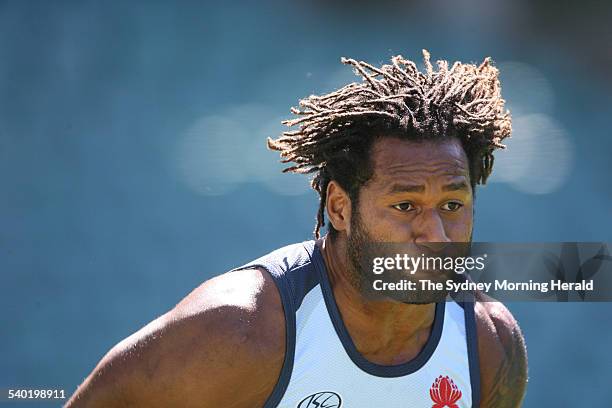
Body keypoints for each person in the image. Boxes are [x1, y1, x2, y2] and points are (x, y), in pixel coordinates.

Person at [66, 50, 528, 408]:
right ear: (340, 208)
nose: (435, 234)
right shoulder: (238, 332)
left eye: (452, 204)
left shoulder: (489, 346)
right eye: (405, 205)